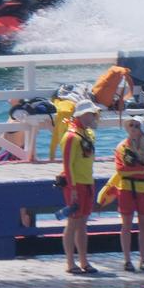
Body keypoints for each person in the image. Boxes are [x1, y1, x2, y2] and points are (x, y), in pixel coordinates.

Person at [60, 100, 98, 274]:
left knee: (83, 223)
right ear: (82, 115)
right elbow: (68, 165)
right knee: (73, 222)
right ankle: (70, 262)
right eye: (91, 114)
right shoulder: (71, 136)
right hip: (75, 185)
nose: (94, 116)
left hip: (88, 182)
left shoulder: (88, 133)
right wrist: (73, 188)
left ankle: (84, 260)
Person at [115, 116, 144, 272]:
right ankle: (127, 260)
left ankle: (143, 259)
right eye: (131, 125)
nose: (133, 128)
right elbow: (120, 169)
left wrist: (134, 169)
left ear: (141, 129)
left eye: (136, 125)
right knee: (126, 225)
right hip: (126, 189)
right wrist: (140, 168)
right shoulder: (121, 147)